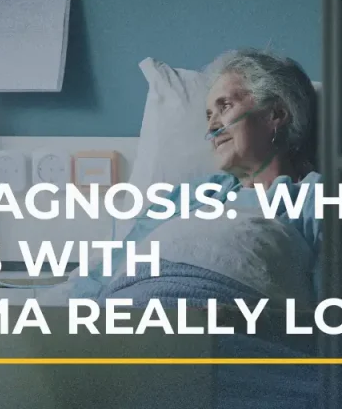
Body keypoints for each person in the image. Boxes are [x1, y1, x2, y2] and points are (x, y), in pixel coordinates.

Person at [59, 48, 324, 339]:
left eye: (225, 106)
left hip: (219, 324)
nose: (211, 127)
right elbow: (107, 272)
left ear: (276, 114)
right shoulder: (194, 194)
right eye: (208, 115)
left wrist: (247, 320)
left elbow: (337, 316)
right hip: (125, 314)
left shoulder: (313, 196)